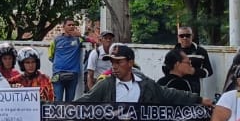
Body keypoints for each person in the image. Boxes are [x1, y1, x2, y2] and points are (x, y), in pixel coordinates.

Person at [77, 44, 210, 107]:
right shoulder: (105, 84)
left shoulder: (146, 85)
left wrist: (199, 100)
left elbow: (169, 94)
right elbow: (83, 103)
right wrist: (58, 110)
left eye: (119, 62)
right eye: (112, 62)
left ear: (130, 63)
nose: (114, 66)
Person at [50, 19, 85, 101]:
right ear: (63, 27)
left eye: (73, 25)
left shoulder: (78, 39)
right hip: (57, 74)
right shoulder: (56, 40)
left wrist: (81, 35)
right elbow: (50, 56)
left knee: (69, 103)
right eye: (69, 25)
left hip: (73, 74)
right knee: (57, 102)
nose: (72, 26)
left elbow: (94, 41)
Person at [171, 26, 212, 91]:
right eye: (181, 36)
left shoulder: (201, 51)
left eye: (187, 35)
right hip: (176, 88)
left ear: (192, 36)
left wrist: (193, 71)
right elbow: (165, 69)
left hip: (195, 88)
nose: (185, 38)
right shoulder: (172, 52)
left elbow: (209, 71)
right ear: (178, 37)